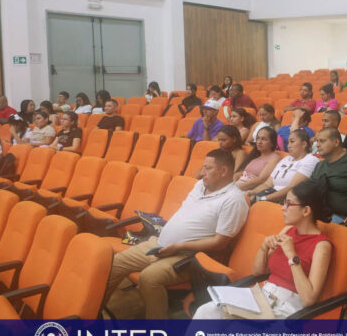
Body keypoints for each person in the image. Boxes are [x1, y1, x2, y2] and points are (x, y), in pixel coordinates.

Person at [106, 149, 249, 319]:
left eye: (208, 168)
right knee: (114, 264)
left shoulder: (234, 199)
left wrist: (178, 246)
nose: (202, 172)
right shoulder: (200, 185)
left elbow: (220, 242)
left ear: (223, 171)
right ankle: (91, 313)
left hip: (190, 257)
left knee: (148, 278)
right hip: (159, 244)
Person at [192, 178, 332, 320]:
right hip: (262, 296)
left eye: (289, 204)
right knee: (206, 311)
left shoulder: (322, 245)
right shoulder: (287, 231)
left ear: (306, 210)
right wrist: (264, 248)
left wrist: (292, 256)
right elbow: (258, 272)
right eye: (284, 202)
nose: (283, 208)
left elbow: (309, 299)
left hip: (286, 309)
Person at [247, 130, 319, 204]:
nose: (288, 146)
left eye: (292, 141)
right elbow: (267, 184)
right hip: (269, 193)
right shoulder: (286, 159)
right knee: (245, 199)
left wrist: (263, 198)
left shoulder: (310, 160)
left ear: (304, 144)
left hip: (286, 199)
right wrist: (250, 193)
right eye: (288, 142)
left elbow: (292, 188)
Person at [235, 127, 281, 191]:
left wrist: (236, 188)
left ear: (272, 143)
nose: (259, 142)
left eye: (264, 139)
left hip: (250, 190)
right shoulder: (255, 155)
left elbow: (261, 180)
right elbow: (239, 174)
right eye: (258, 138)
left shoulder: (274, 158)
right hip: (238, 185)